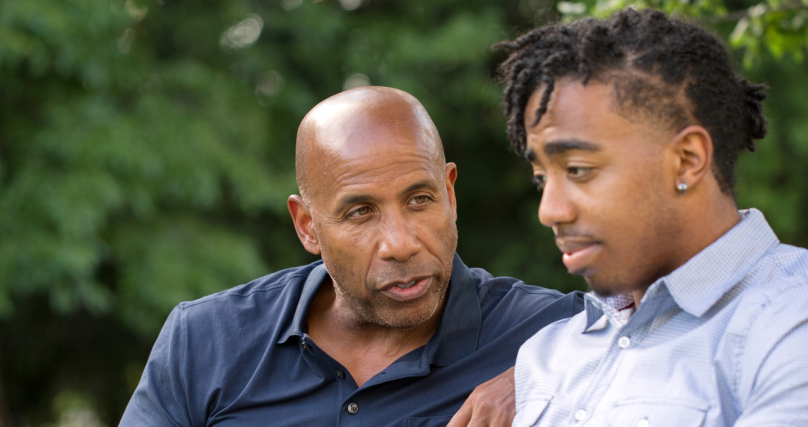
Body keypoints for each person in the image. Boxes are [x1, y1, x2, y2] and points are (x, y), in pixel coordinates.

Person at [493, 8, 808, 426]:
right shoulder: (547, 354)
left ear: (687, 161)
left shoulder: (806, 329)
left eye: (578, 170)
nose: (550, 210)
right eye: (542, 178)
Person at [119, 86, 580, 426]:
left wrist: (540, 376)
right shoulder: (206, 341)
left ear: (450, 195)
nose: (400, 243)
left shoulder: (556, 335)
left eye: (419, 199)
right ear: (307, 226)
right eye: (360, 212)